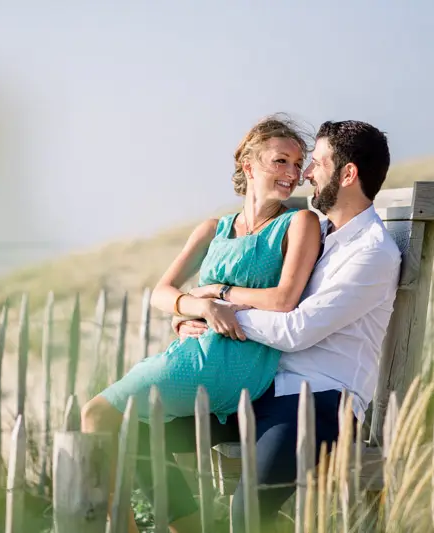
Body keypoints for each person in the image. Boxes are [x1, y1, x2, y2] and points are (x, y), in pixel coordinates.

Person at [139, 119, 402, 533]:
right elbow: (261, 288)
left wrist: (218, 307)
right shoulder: (323, 235)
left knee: (248, 511)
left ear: (348, 174)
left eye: (317, 163)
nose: (305, 174)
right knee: (140, 430)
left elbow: (296, 328)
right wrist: (194, 315)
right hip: (260, 384)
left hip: (319, 400)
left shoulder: (371, 253)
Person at [81, 113, 323, 532]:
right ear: (249, 165)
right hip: (194, 348)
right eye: (280, 161)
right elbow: (160, 292)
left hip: (236, 363)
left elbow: (284, 300)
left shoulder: (299, 223)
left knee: (98, 414)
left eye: (297, 164)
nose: (292, 173)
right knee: (129, 432)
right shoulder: (214, 228)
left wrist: (218, 295)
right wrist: (197, 308)